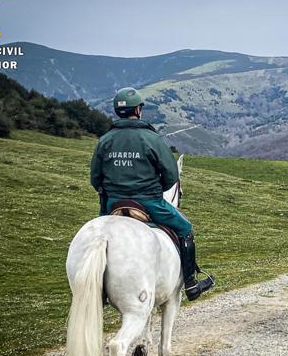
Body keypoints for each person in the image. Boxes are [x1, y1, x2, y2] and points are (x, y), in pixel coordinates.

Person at [90, 87, 214, 301]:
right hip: (149, 203)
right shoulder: (152, 138)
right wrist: (155, 189)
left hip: (113, 205)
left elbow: (95, 178)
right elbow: (171, 175)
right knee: (185, 229)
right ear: (138, 110)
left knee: (97, 238)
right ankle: (191, 284)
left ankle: (99, 290)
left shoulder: (105, 140)